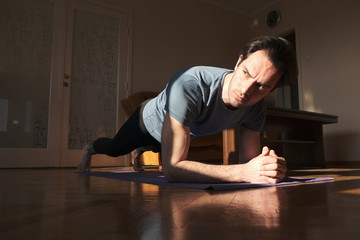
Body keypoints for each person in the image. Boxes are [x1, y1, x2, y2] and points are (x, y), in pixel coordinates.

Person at [78, 36, 298, 184]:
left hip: (177, 133)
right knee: (116, 148)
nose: (247, 90)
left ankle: (144, 149)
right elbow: (172, 170)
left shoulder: (256, 108)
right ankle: (91, 147)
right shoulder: (190, 82)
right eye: (246, 73)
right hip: (147, 122)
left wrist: (267, 168)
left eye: (262, 86)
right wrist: (243, 172)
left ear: (271, 89)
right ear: (239, 61)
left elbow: (249, 162)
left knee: (156, 147)